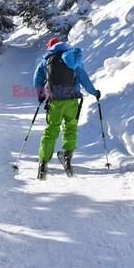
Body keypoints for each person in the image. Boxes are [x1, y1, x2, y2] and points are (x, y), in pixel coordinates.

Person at [33, 37, 100, 177]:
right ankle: (67, 159)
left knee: (51, 130)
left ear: (50, 47)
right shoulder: (73, 60)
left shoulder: (46, 60)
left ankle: (43, 163)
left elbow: (37, 79)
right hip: (71, 101)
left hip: (55, 101)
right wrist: (95, 93)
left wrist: (41, 95)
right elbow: (85, 80)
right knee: (70, 128)